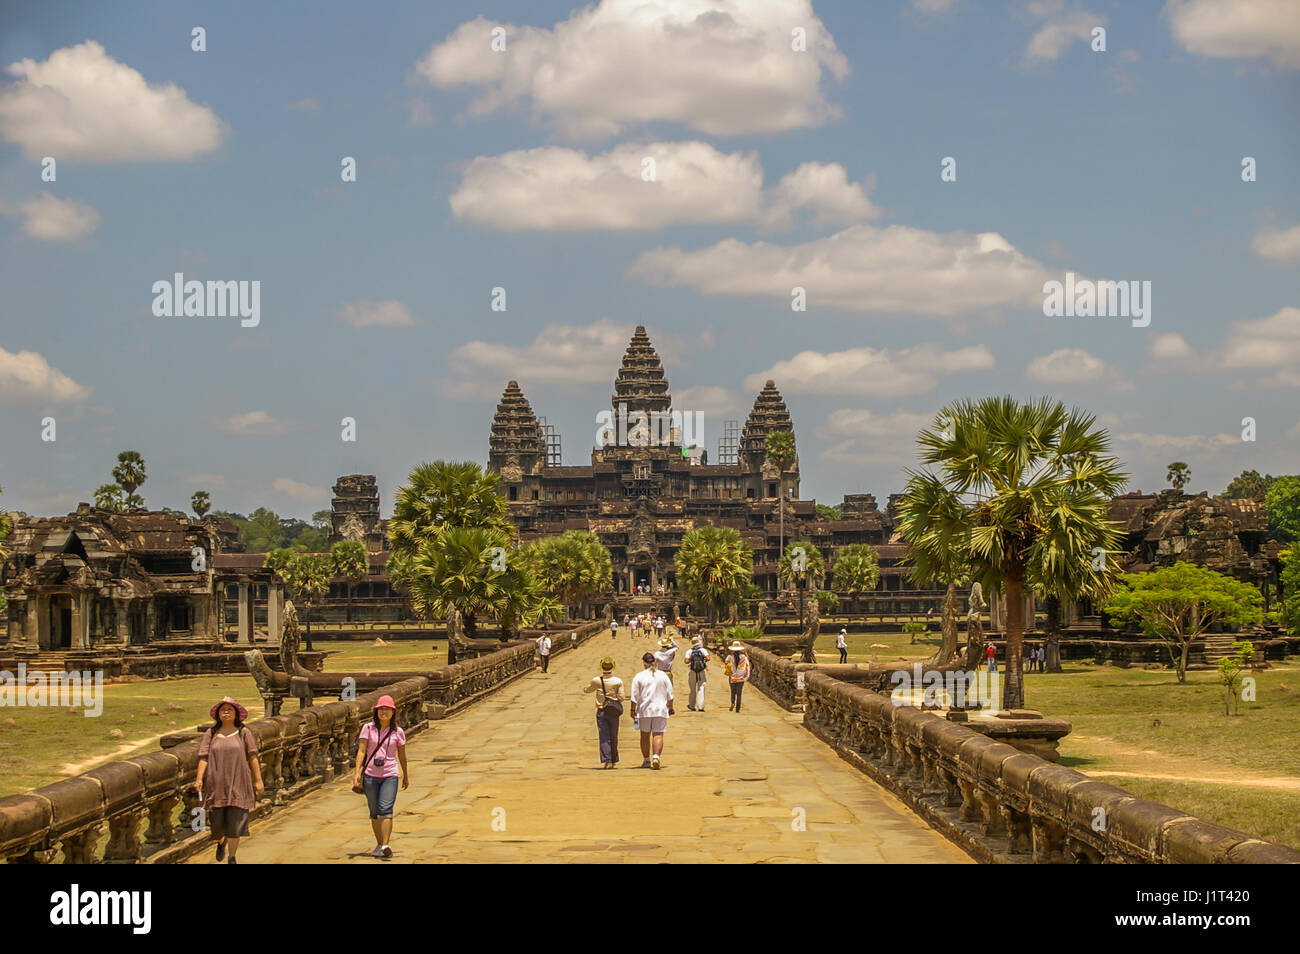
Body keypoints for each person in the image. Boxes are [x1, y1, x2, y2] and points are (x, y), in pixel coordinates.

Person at [195, 696, 264, 864]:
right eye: (223, 709)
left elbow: (252, 756)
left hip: (239, 783)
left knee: (235, 826)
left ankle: (232, 857)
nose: (226, 712)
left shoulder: (244, 733)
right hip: (216, 785)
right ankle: (221, 842)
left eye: (229, 709)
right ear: (218, 714)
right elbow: (203, 758)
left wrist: (258, 780)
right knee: (217, 827)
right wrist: (198, 779)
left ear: (236, 714)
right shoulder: (211, 734)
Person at [353, 694, 408, 859]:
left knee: (385, 809)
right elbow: (361, 751)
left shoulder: (398, 732)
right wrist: (356, 773)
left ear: (393, 712)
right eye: (381, 709)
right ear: (376, 711)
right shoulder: (368, 728)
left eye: (387, 709)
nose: (384, 712)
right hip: (370, 774)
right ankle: (379, 843)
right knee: (374, 811)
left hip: (390, 774)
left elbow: (402, 755)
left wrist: (405, 774)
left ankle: (385, 844)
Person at [630, 651, 674, 769]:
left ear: (644, 663)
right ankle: (656, 757)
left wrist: (632, 710)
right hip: (660, 709)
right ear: (655, 662)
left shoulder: (639, 676)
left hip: (644, 710)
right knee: (658, 734)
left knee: (644, 735)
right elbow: (670, 694)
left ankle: (646, 760)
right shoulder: (662, 675)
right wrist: (670, 707)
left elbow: (634, 696)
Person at [583, 657, 624, 767]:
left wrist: (584, 689)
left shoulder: (597, 680)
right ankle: (614, 759)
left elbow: (588, 690)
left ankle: (607, 759)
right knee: (614, 735)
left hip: (602, 710)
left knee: (604, 736)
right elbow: (621, 697)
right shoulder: (617, 681)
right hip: (614, 711)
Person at [685, 636, 710, 711]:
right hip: (701, 671)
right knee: (701, 688)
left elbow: (686, 661)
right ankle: (701, 706)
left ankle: (692, 705)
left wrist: (692, 659)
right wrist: (702, 660)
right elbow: (708, 658)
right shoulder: (703, 650)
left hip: (692, 671)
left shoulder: (689, 651)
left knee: (692, 689)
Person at [727, 642, 750, 712]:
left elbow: (726, 663)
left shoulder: (730, 657)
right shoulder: (744, 657)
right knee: (739, 693)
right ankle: (738, 708)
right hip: (741, 677)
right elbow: (747, 666)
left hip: (733, 676)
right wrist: (747, 676)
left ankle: (733, 702)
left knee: (733, 691)